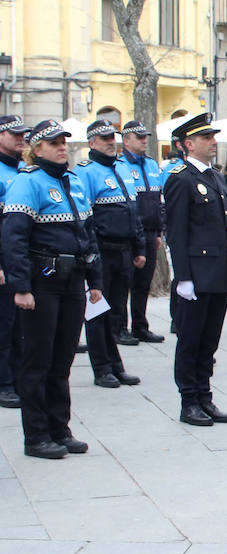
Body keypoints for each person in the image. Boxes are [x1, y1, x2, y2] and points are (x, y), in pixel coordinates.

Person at [1, 120, 102, 460]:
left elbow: (87, 235)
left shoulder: (72, 182)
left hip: (73, 282)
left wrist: (95, 281)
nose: (62, 147)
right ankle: (37, 436)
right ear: (36, 148)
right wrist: (21, 287)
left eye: (63, 142)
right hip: (42, 284)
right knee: (37, 363)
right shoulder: (27, 183)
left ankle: (60, 428)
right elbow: (13, 238)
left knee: (62, 362)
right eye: (54, 142)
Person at [163, 114, 227, 427]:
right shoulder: (180, 178)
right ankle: (189, 401)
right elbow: (176, 232)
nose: (213, 142)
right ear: (188, 144)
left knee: (209, 341)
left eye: (213, 137)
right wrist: (183, 277)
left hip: (218, 272)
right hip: (196, 274)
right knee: (190, 340)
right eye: (206, 138)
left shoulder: (216, 177)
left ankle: (205, 396)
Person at [73, 119, 143, 389]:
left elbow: (132, 211)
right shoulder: (86, 172)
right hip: (101, 251)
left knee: (115, 312)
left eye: (112, 138)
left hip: (124, 251)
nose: (111, 143)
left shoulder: (122, 169)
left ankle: (115, 364)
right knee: (97, 312)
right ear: (92, 143)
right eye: (104, 139)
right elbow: (84, 218)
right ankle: (101, 367)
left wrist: (139, 248)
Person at [115, 120, 165, 344]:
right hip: (130, 234)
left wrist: (158, 232)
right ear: (126, 140)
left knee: (143, 283)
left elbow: (158, 200)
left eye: (145, 136)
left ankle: (139, 325)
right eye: (139, 136)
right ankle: (120, 327)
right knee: (125, 282)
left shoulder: (152, 165)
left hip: (150, 231)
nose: (144, 140)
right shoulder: (119, 165)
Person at [0, 114, 28, 409]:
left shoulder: (24, 170)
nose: (21, 139)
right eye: (14, 134)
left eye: (24, 135)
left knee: (22, 324)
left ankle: (19, 377)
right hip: (3, 261)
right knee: (5, 325)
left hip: (22, 259)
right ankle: (4, 382)